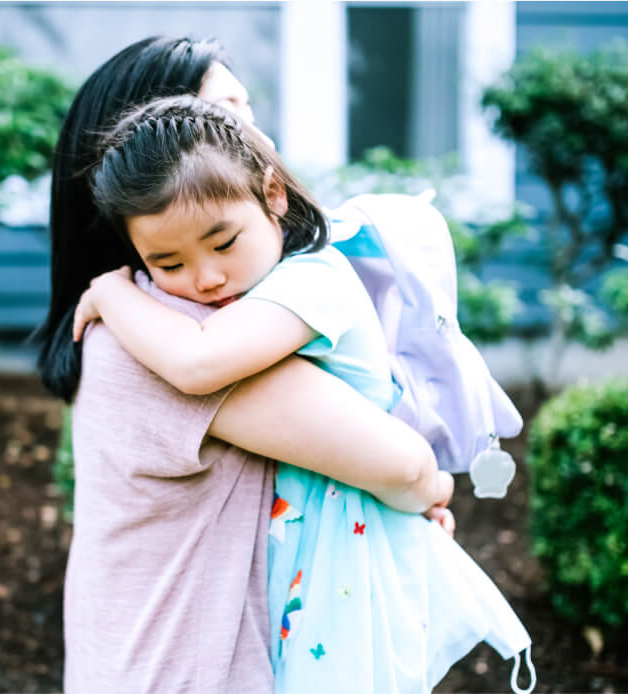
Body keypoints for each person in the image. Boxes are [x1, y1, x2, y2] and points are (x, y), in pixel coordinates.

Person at [71, 95, 535, 694]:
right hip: (321, 535)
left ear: (274, 196)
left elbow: (197, 361)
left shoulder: (311, 280)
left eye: (223, 243)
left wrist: (111, 295)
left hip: (348, 539)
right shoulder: (258, 286)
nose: (206, 279)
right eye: (167, 264)